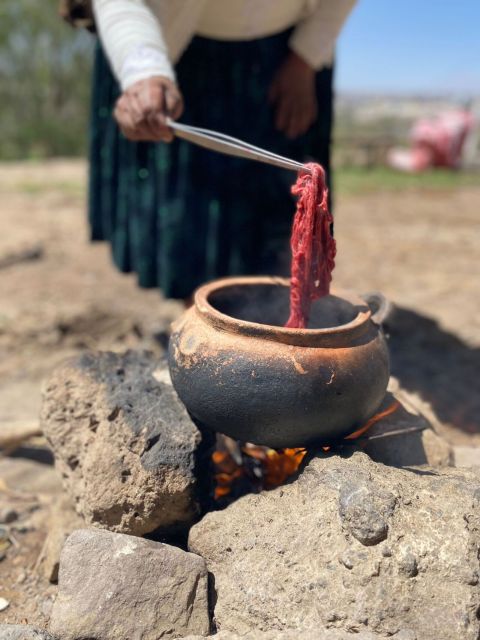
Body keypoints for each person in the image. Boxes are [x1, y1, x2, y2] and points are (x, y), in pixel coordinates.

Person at [88, 0, 356, 300]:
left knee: (275, 224)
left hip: (286, 53)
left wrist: (306, 56)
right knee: (189, 221)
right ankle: (205, 324)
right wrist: (143, 71)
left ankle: (273, 310)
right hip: (170, 46)